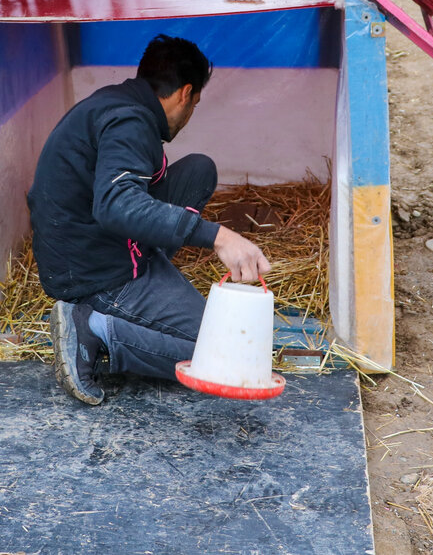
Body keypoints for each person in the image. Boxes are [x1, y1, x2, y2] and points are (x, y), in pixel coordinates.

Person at [27, 34, 271, 405]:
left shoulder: (117, 104)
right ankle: (95, 328)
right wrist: (219, 237)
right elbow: (116, 205)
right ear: (185, 93)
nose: (190, 116)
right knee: (219, 350)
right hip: (94, 273)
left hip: (91, 245)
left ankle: (146, 280)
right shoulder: (129, 123)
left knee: (197, 171)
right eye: (195, 104)